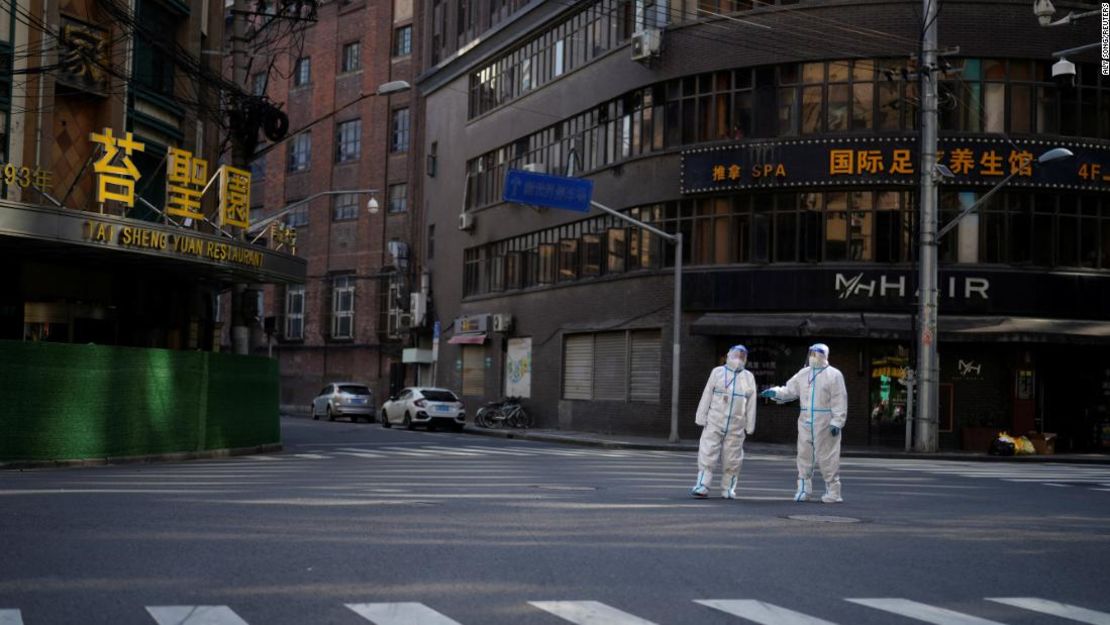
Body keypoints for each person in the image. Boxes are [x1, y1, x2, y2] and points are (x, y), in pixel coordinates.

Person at [759, 343, 847, 503]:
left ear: (824, 355)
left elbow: (840, 399)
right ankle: (803, 489)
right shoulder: (803, 374)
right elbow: (790, 390)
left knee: (828, 456)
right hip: (806, 419)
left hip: (825, 421)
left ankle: (833, 491)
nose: (813, 356)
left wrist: (837, 421)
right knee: (804, 454)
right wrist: (776, 393)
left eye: (817, 353)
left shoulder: (834, 375)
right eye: (811, 353)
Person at [691, 344, 758, 499]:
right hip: (714, 421)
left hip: (736, 424)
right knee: (707, 452)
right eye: (735, 354)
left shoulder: (748, 377)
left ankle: (728, 489)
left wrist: (750, 425)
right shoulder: (718, 372)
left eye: (742, 356)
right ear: (728, 355)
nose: (738, 358)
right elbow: (707, 394)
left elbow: (751, 402)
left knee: (733, 458)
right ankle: (702, 485)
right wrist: (701, 416)